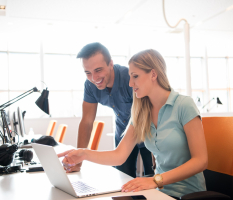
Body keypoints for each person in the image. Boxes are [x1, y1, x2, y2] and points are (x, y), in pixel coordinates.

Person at [58, 49, 208, 198]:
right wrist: (83, 154)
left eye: (135, 76)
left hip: (188, 194)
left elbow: (201, 161)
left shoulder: (184, 105)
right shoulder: (141, 112)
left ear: (153, 74)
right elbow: (119, 155)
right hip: (158, 193)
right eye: (130, 76)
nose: (130, 83)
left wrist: (155, 180)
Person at [71, 42, 154, 178]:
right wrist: (78, 158)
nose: (94, 78)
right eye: (88, 73)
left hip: (147, 132)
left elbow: (147, 111)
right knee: (123, 179)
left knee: (151, 178)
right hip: (123, 134)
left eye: (98, 70)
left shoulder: (130, 78)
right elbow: (87, 121)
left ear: (110, 64)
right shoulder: (90, 86)